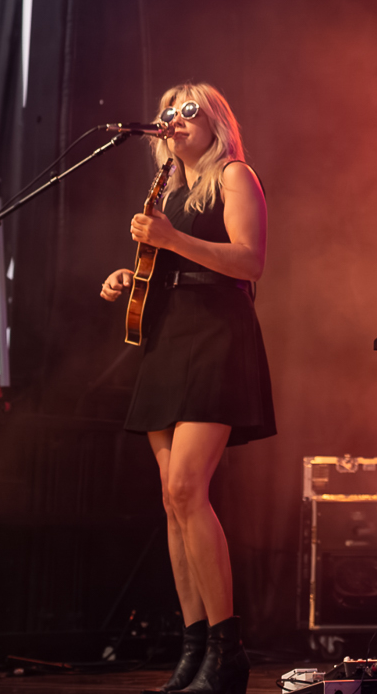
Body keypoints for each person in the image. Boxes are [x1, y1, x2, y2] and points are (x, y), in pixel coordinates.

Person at [100, 83, 273, 694]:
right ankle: (194, 646)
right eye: (168, 112)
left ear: (215, 121)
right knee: (172, 504)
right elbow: (163, 266)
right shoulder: (166, 191)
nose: (175, 119)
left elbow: (249, 262)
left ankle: (228, 651)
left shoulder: (234, 176)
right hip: (166, 339)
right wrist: (130, 274)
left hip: (215, 335)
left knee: (186, 488)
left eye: (189, 109)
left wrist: (170, 240)